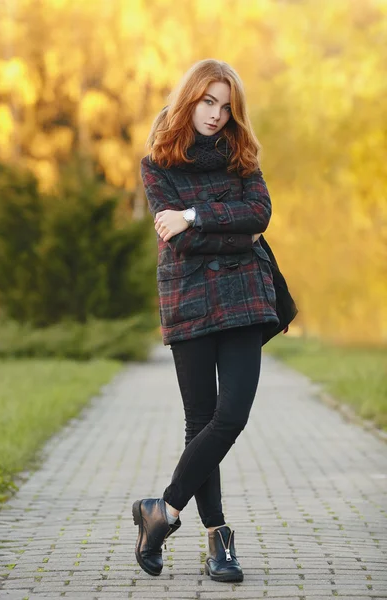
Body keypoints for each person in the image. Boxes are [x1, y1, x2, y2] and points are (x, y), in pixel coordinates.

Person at [132, 58, 280, 583]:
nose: (216, 115)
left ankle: (162, 512)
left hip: (244, 299)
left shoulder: (242, 154)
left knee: (231, 416)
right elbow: (184, 240)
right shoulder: (157, 161)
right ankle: (219, 541)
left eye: (225, 105)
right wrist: (227, 227)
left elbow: (258, 216)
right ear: (189, 99)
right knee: (201, 422)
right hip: (189, 298)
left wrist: (193, 214)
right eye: (207, 101)